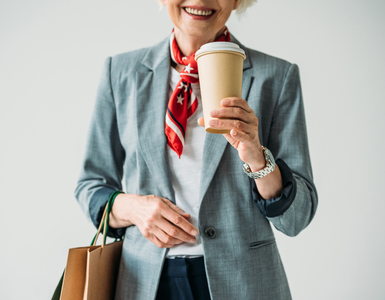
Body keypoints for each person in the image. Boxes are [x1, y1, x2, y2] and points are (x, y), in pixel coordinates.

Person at [75, 0, 318, 299]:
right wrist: (136, 209)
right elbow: (91, 185)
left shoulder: (277, 77)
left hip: (244, 282)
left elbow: (297, 217)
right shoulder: (120, 73)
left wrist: (257, 156)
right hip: (144, 282)